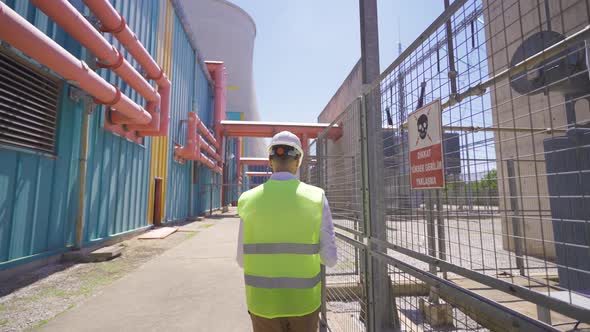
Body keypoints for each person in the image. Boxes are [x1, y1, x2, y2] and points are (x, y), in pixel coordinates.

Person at [236, 131, 338, 332]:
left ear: (270, 160)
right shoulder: (317, 198)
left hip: (262, 304)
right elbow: (330, 259)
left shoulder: (247, 200)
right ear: (298, 160)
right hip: (304, 304)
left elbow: (241, 259)